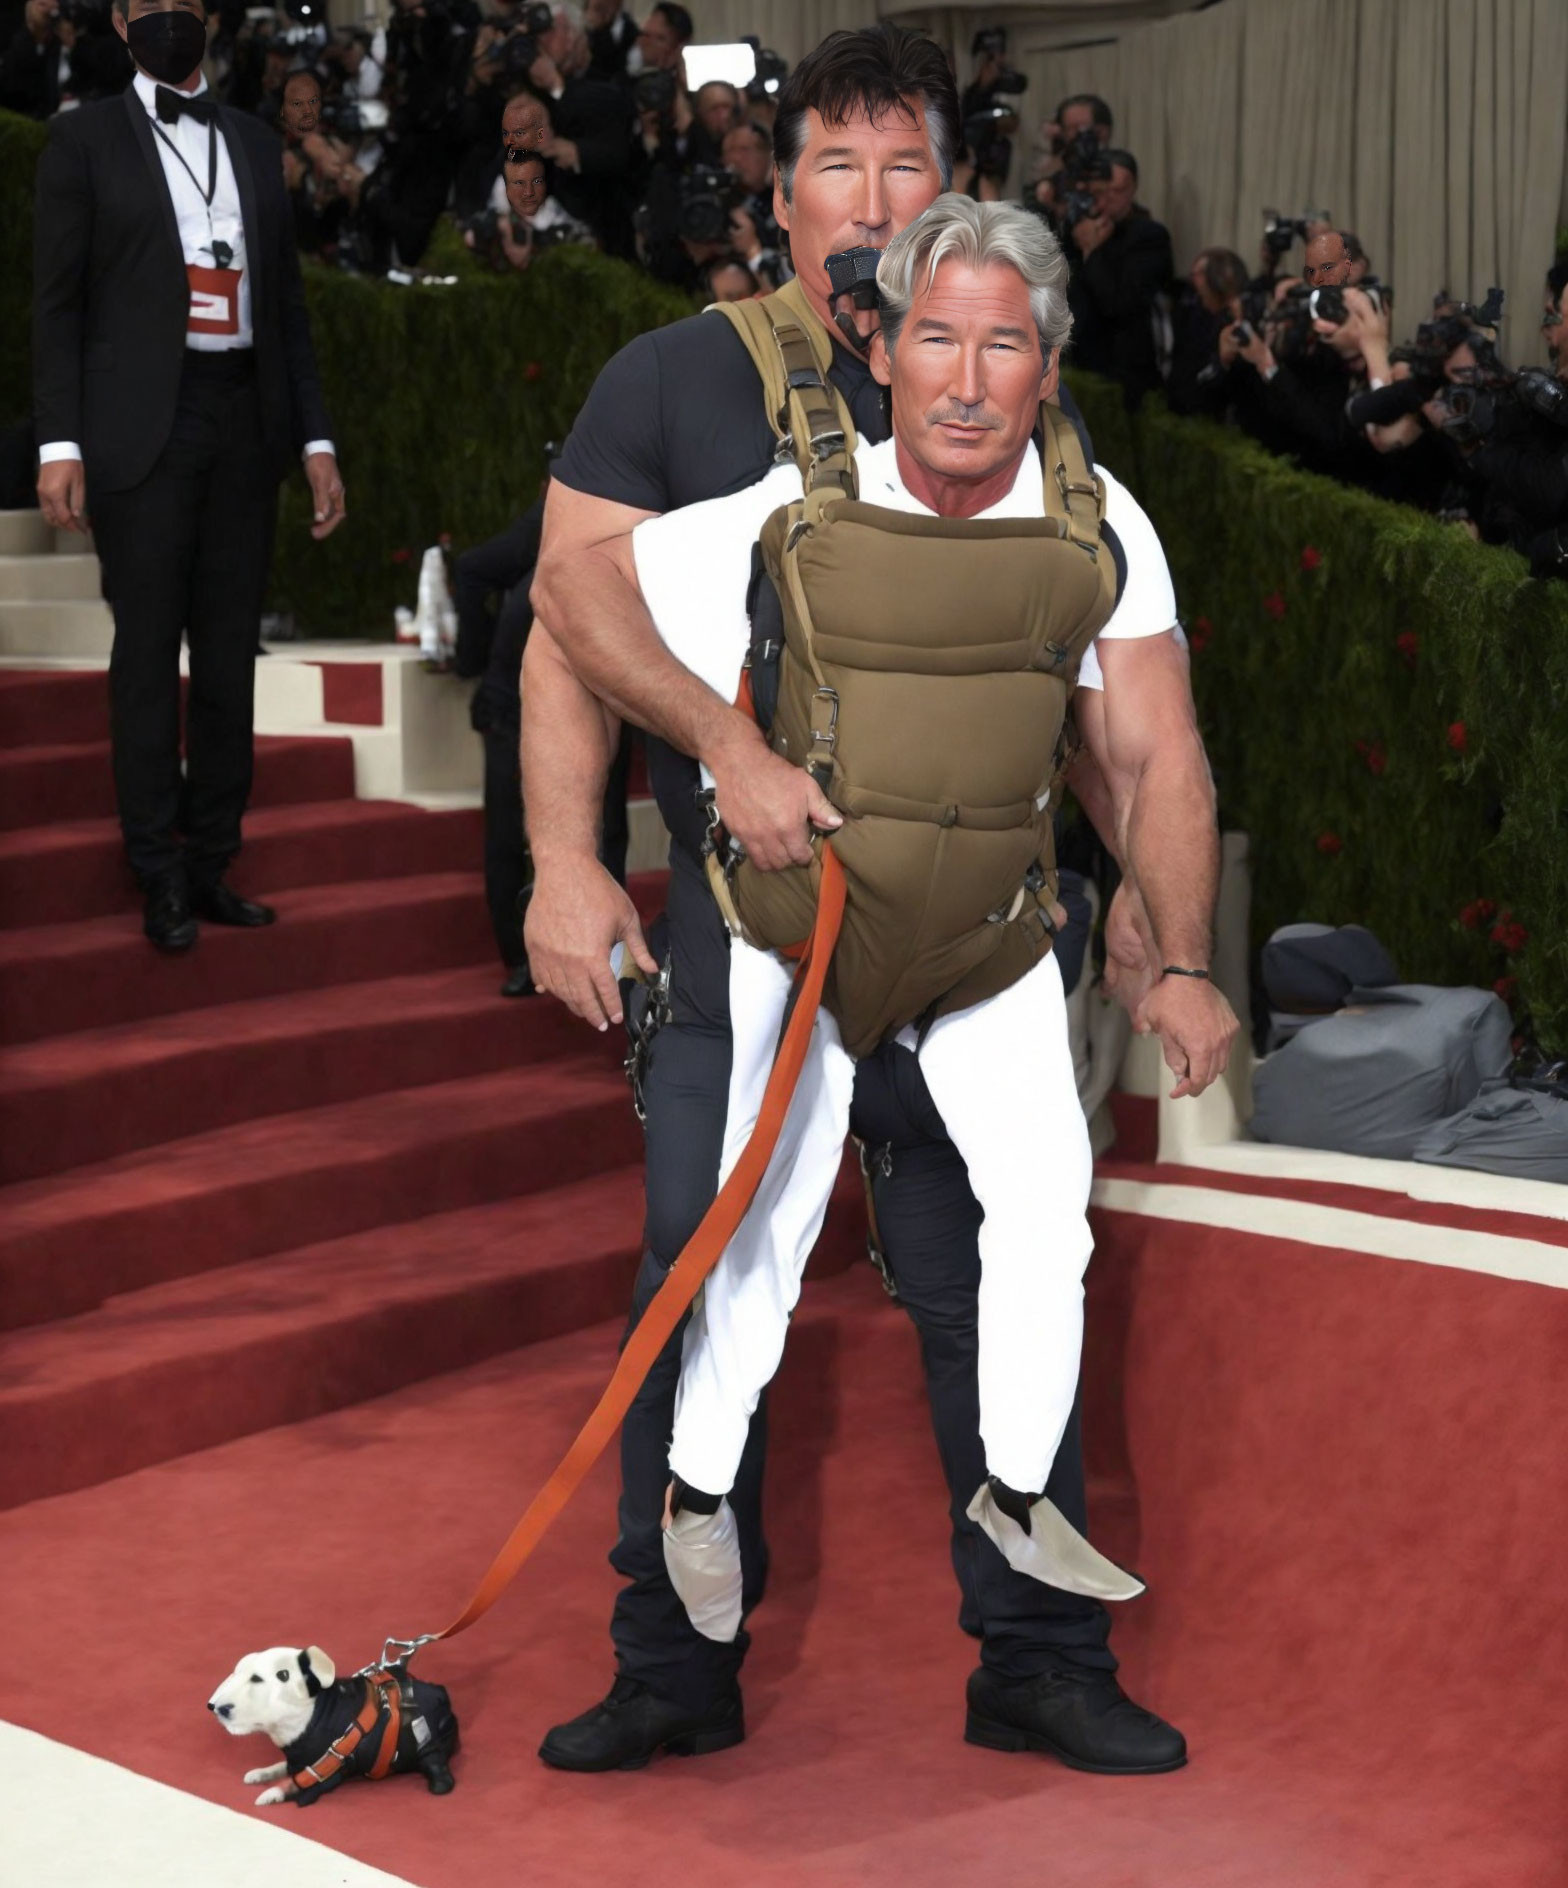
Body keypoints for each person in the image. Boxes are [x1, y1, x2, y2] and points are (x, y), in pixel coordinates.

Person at [524, 23, 1199, 1779]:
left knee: (995, 1268)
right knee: (702, 1266)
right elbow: (564, 618)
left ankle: (1034, 1655)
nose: (873, 199)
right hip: (756, 928)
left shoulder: (1022, 409)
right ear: (782, 182)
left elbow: (1092, 706)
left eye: (911, 167)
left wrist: (1151, 907)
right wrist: (568, 853)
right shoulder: (675, 385)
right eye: (840, 164)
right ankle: (672, 1660)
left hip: (968, 933)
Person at [628, 197, 1232, 1646]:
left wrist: (1187, 959)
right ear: (882, 348)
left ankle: (1019, 1493)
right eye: (939, 339)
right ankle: (699, 1492)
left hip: (988, 939)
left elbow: (1156, 756)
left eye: (1005, 346)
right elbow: (585, 601)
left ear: (1050, 363)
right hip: (804, 929)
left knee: (1045, 1215)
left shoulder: (1098, 520)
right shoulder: (784, 507)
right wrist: (730, 749)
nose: (969, 380)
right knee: (755, 1234)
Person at [32, 0, 344, 952]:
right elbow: (57, 306)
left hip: (244, 420)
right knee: (145, 655)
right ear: (124, 21)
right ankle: (154, 869)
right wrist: (60, 445)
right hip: (141, 432)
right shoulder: (80, 141)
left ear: (207, 18)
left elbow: (286, 304)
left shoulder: (251, 142)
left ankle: (211, 860)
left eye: (184, 3)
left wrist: (316, 440)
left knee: (225, 655)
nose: (169, 17)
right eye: (148, 3)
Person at [1064, 148, 1172, 404]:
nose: (1108, 199)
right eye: (1101, 191)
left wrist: (1092, 250)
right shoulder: (1079, 226)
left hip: (1121, 369)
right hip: (1077, 356)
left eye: (1117, 191)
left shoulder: (1149, 236)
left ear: (1132, 188)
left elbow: (1119, 303)